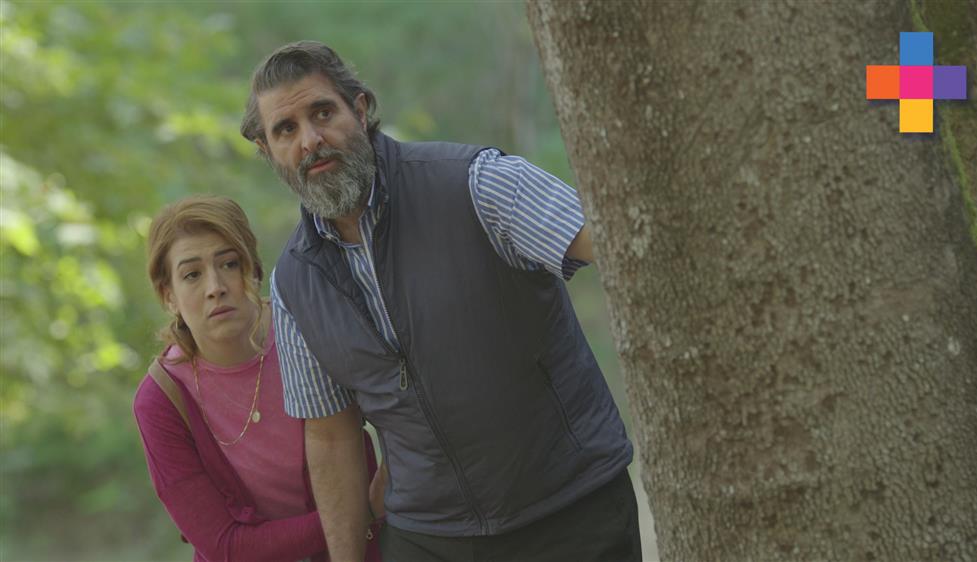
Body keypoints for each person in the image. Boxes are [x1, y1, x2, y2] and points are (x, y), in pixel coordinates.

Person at [240, 41, 640, 562]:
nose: (310, 141)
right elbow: (332, 438)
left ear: (359, 109)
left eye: (322, 113)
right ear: (267, 151)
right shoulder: (293, 286)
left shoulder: (478, 184)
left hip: (569, 513)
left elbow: (621, 246)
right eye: (285, 130)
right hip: (427, 537)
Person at [132, 195, 383, 562]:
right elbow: (225, 546)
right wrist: (362, 511)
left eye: (229, 264)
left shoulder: (307, 330)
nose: (215, 287)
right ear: (168, 296)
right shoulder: (160, 401)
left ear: (252, 270)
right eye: (192, 275)